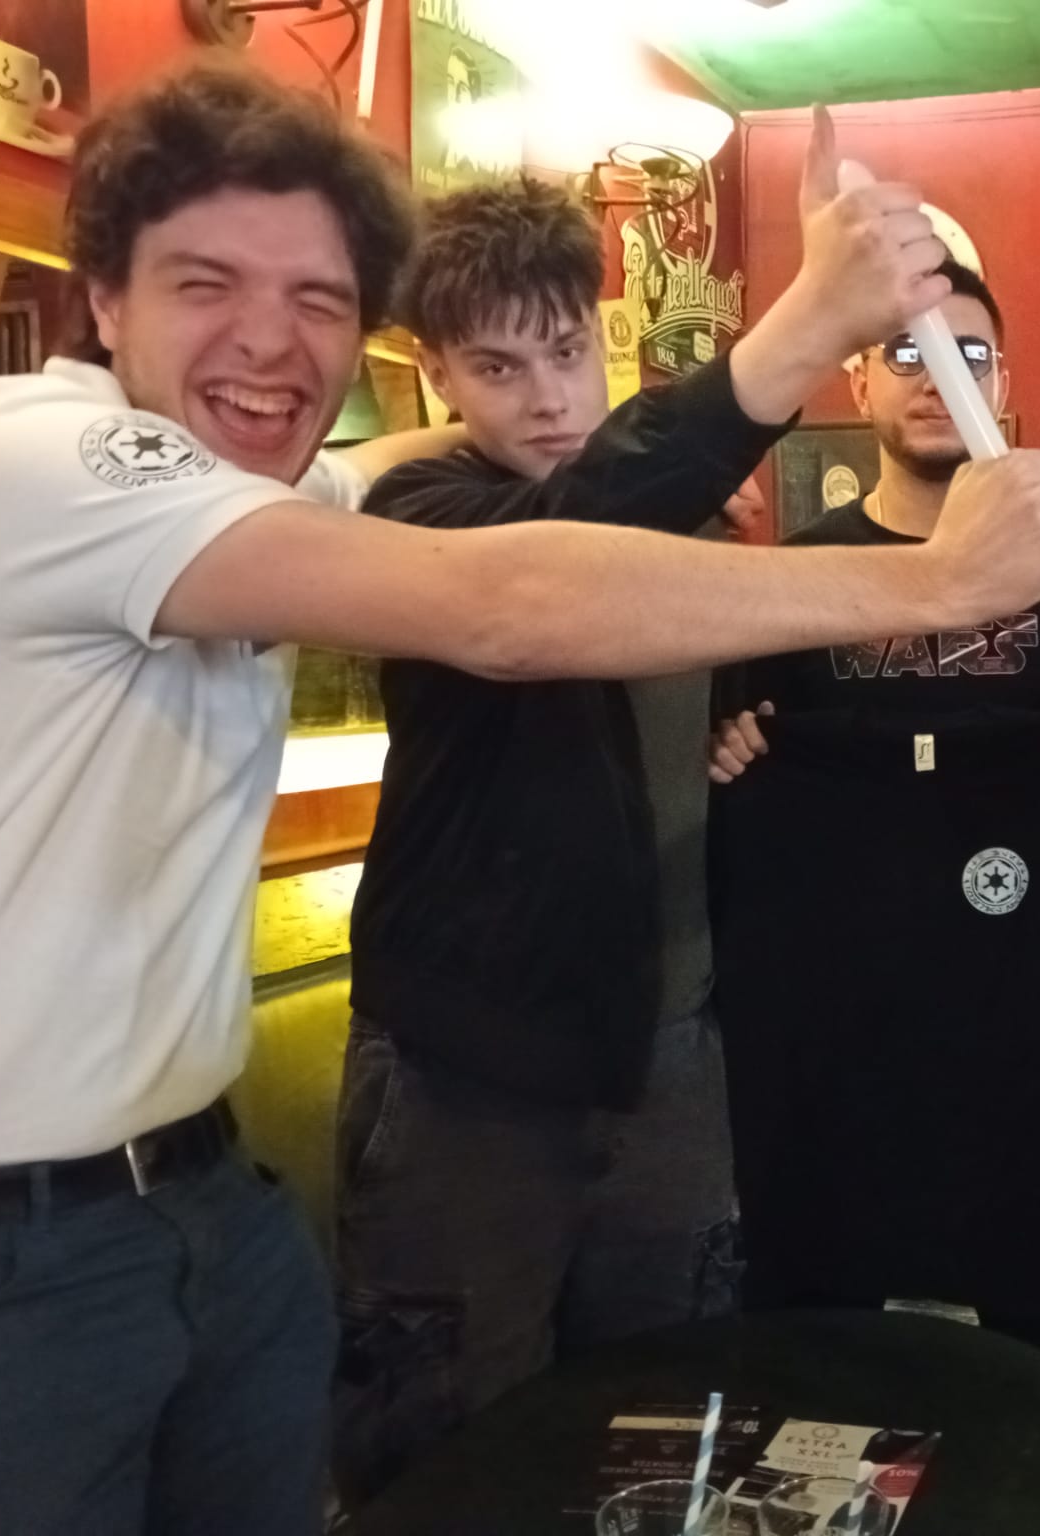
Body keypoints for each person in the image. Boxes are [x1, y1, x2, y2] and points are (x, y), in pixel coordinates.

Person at [0, 62, 1040, 1536]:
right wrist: (929, 559)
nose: (270, 337)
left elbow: (495, 509)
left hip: (217, 1182)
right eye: (206, 282)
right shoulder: (55, 457)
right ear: (104, 300)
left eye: (317, 299)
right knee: (454, 1464)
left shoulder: (280, 487)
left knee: (657, 1444)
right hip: (136, 1190)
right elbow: (509, 595)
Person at [329, 182, 792, 1500]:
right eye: (498, 367)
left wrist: (740, 717)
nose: (546, 396)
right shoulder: (420, 513)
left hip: (671, 1053)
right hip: (471, 1072)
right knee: (451, 1454)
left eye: (567, 351)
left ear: (606, 335)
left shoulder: (688, 522)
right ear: (435, 373)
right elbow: (550, 559)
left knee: (666, 1439)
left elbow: (703, 701)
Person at [706, 262, 1040, 1369]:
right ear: (858, 381)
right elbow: (732, 754)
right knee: (833, 1357)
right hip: (844, 1049)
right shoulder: (795, 586)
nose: (937, 373)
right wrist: (733, 745)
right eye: (906, 350)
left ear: (1004, 385)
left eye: (967, 352)